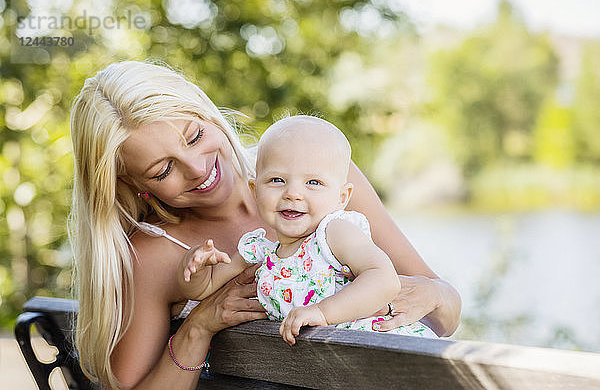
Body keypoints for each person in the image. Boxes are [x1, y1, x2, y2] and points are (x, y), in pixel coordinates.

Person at [69, 60, 461, 389]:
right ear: (134, 186)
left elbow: (445, 315)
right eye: (163, 170)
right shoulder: (154, 256)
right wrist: (197, 329)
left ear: (209, 114)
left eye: (195, 136)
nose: (198, 168)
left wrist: (434, 296)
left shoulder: (315, 174)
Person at [179, 116, 437, 344]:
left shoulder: (333, 233)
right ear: (255, 191)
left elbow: (384, 279)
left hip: (381, 349)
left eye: (313, 182)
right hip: (324, 367)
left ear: (341, 197)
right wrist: (197, 271)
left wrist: (323, 312)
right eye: (277, 180)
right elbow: (204, 289)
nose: (293, 193)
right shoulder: (259, 251)